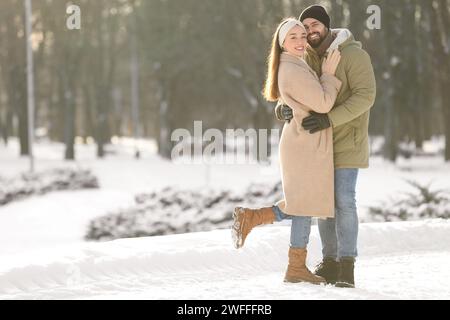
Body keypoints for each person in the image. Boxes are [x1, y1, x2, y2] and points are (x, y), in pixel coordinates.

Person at [231, 18, 342, 285]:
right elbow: (324, 103)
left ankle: (253, 218)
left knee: (304, 202)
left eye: (303, 35)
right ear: (282, 42)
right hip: (303, 145)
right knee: (304, 204)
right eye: (293, 37)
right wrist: (328, 74)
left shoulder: (294, 65)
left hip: (302, 143)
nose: (301, 41)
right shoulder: (292, 69)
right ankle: (295, 268)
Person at [279, 5, 377, 288]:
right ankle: (330, 262)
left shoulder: (354, 54)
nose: (309, 31)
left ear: (326, 25)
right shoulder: (306, 56)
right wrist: (284, 109)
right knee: (323, 205)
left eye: (314, 25)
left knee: (344, 200)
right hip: (317, 144)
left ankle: (348, 265)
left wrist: (329, 119)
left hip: (348, 140)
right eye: (304, 27)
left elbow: (365, 96)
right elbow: (295, 92)